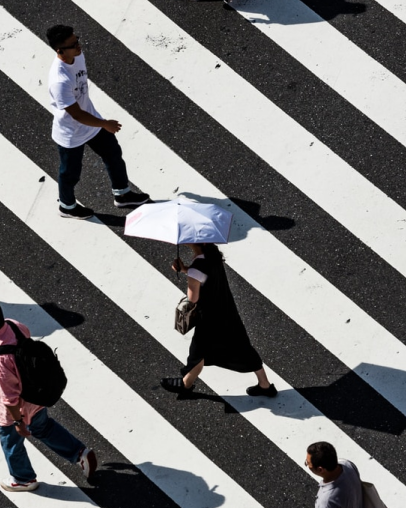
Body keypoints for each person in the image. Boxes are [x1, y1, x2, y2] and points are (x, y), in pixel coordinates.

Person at [0, 300, 96, 491]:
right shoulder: (13, 325)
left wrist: (18, 423)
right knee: (44, 427)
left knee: (10, 441)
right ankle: (79, 453)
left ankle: (23, 479)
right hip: (35, 395)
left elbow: (9, 397)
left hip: (17, 409)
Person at [46, 25, 150, 220]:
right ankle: (66, 206)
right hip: (71, 132)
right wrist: (104, 124)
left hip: (91, 120)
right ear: (59, 50)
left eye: (77, 40)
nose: (79, 46)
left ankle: (122, 194)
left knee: (113, 154)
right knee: (70, 173)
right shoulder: (59, 80)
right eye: (73, 44)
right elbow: (76, 115)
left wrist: (100, 123)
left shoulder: (78, 56)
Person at [161, 243, 276, 396]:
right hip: (226, 310)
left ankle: (185, 385)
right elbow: (204, 276)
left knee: (198, 352)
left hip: (209, 318)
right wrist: (185, 270)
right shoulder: (213, 257)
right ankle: (265, 384)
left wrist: (189, 277)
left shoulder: (197, 268)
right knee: (243, 347)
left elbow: (193, 298)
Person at [306, 442, 362, 508]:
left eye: (308, 463)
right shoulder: (348, 465)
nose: (306, 464)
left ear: (320, 470)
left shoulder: (326, 502)